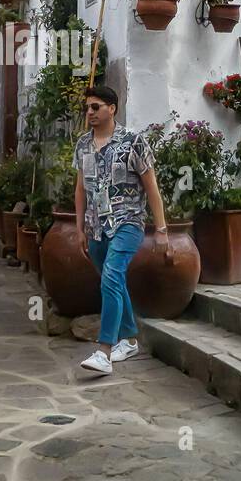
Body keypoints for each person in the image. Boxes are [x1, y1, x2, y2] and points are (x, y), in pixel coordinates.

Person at [72, 85, 170, 375]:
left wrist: (162, 229)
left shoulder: (133, 142)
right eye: (87, 107)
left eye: (96, 107)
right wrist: (79, 229)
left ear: (112, 108)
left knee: (112, 276)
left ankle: (104, 350)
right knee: (112, 281)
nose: (89, 112)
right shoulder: (83, 145)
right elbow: (80, 189)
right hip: (96, 228)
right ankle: (128, 339)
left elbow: (152, 188)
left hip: (128, 223)